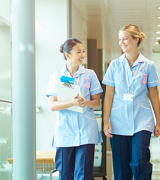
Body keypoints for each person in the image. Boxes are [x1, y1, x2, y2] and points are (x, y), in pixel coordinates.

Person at [102, 24, 160, 180]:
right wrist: (105, 121)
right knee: (121, 168)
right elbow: (108, 95)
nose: (122, 42)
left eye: (125, 39)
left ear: (136, 39)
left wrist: (158, 122)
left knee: (139, 161)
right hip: (118, 120)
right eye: (120, 39)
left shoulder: (148, 66)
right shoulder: (114, 65)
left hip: (142, 119)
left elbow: (154, 95)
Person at [46, 38, 103, 180]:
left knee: (83, 174)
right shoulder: (56, 77)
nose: (82, 54)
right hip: (65, 132)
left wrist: (85, 102)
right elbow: (53, 105)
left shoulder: (90, 74)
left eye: (83, 51)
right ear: (67, 55)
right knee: (65, 174)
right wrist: (71, 103)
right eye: (78, 52)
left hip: (86, 131)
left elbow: (96, 103)